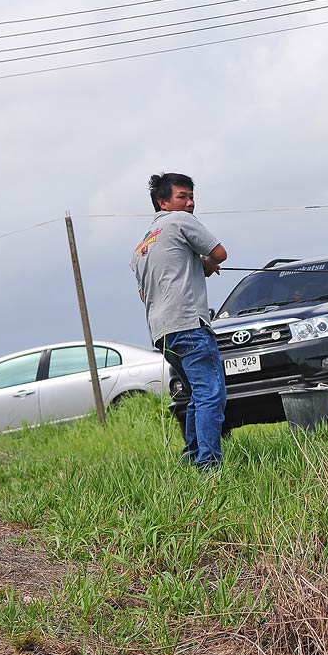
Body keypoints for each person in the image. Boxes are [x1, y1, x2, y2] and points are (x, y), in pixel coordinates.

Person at [131, 173, 228, 470]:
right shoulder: (180, 222)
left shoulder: (142, 247)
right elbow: (220, 253)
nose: (189, 203)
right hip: (189, 324)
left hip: (162, 333)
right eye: (181, 197)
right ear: (163, 202)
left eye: (191, 197)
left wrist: (202, 268)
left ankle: (191, 457)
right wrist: (210, 263)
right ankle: (208, 465)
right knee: (211, 393)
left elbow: (146, 292)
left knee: (197, 396)